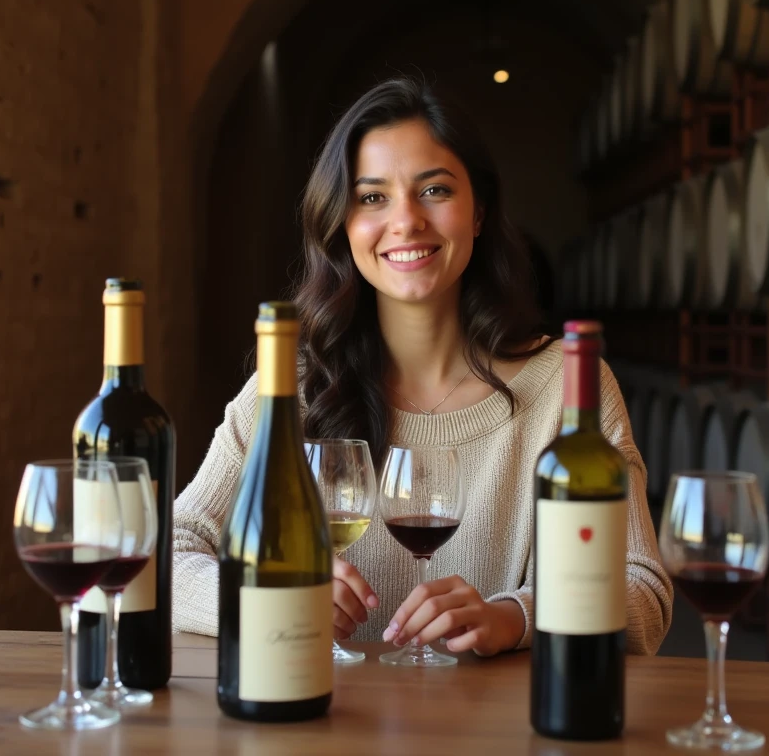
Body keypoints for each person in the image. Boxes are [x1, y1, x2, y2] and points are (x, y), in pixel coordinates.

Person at [173, 76, 673, 657]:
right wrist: (264, 596)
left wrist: (516, 616)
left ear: (479, 211)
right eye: (372, 197)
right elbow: (166, 553)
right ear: (342, 223)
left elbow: (643, 594)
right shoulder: (295, 386)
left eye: (434, 190)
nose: (406, 221)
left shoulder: (565, 385)